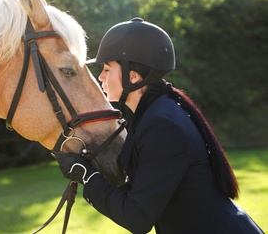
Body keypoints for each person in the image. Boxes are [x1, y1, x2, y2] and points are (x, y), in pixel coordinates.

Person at [55, 18, 264, 233]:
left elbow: (137, 217)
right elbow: (139, 190)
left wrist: (86, 176)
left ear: (133, 77)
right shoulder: (152, 114)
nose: (100, 77)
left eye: (107, 70)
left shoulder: (161, 125)